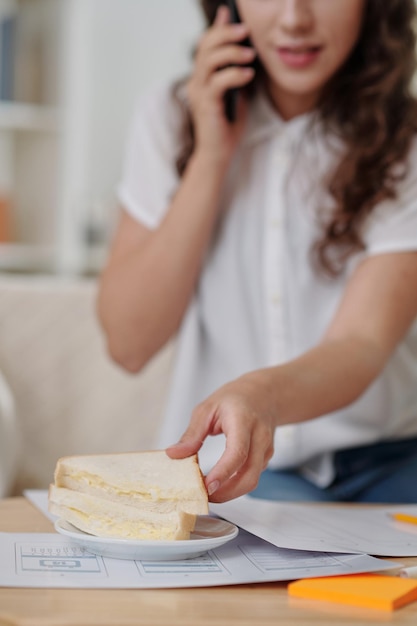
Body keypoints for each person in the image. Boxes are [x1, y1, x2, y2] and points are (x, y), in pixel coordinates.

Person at [97, 0, 417, 504]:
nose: (294, 18)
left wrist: (262, 395)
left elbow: (362, 341)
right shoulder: (168, 115)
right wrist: (211, 156)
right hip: (234, 474)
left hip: (389, 466)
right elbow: (128, 343)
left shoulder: (407, 139)